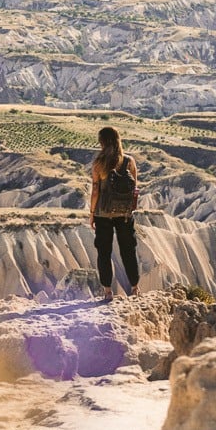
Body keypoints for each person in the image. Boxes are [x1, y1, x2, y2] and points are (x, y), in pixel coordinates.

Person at [89, 126, 140, 300]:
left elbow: (95, 190)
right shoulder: (129, 161)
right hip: (124, 214)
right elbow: (134, 189)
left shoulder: (99, 163)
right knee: (128, 250)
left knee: (104, 252)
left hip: (103, 214)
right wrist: (130, 209)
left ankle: (108, 291)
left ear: (102, 142)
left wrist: (92, 213)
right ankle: (135, 288)